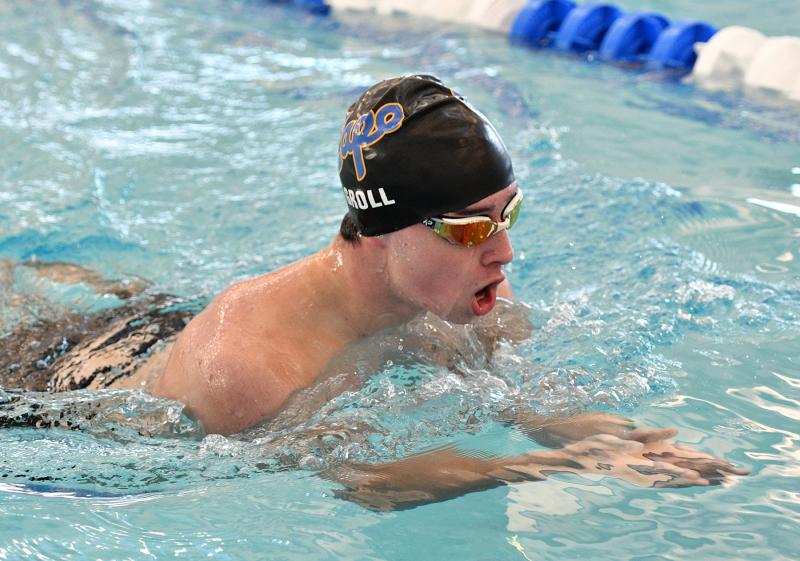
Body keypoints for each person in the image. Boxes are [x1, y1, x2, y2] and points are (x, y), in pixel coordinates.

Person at [0, 75, 747, 510]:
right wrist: (553, 469)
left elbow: (530, 397)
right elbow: (366, 481)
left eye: (507, 213)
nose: (504, 250)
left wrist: (638, 444)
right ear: (386, 230)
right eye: (468, 227)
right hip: (72, 384)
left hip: (160, 322)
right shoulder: (252, 366)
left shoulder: (456, 292)